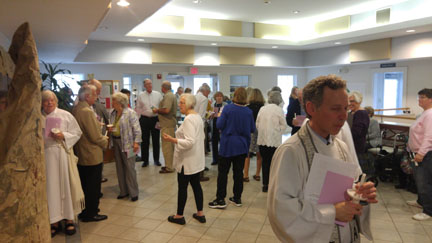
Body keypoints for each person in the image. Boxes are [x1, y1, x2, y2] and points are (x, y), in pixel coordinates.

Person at [268, 75, 377, 243]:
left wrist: (360, 193)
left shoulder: (341, 146)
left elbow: (347, 189)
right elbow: (283, 211)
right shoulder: (291, 151)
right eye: (335, 109)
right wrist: (332, 212)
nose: (343, 116)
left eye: (346, 109)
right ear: (311, 108)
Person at [42, 90, 82, 237]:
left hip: (61, 154)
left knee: (65, 185)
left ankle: (69, 219)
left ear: (56, 101)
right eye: (46, 101)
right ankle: (54, 221)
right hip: (46, 156)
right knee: (51, 189)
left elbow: (77, 132)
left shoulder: (66, 115)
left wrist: (63, 135)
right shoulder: (38, 117)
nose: (49, 103)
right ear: (41, 103)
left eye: (51, 100)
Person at [162, 94, 206, 225]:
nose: (179, 105)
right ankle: (200, 213)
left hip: (187, 161)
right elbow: (200, 137)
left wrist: (172, 139)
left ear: (188, 104)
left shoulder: (188, 120)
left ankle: (179, 216)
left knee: (183, 188)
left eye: (181, 103)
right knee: (196, 186)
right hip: (195, 160)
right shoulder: (197, 117)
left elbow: (189, 142)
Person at [209, 87, 255, 209]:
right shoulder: (248, 112)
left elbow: (219, 124)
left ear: (234, 95)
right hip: (242, 145)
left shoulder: (228, 109)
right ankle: (237, 198)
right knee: (238, 173)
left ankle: (220, 199)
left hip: (228, 144)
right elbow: (252, 129)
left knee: (223, 172)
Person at [72, 85, 109, 222]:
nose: (96, 97)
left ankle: (86, 210)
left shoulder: (76, 108)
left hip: (82, 152)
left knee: (86, 184)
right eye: (94, 95)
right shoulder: (86, 111)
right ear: (87, 96)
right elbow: (94, 136)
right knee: (93, 186)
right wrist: (105, 141)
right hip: (91, 154)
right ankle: (91, 212)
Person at [108, 92, 141, 202]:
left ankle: (133, 192)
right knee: (120, 168)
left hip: (128, 143)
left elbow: (137, 129)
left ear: (119, 102)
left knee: (130, 168)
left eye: (113, 101)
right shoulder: (113, 113)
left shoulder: (130, 113)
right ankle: (123, 191)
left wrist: (136, 142)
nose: (112, 103)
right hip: (116, 142)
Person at [407, 88, 432, 221]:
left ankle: (428, 211)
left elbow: (429, 137)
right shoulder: (424, 113)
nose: (419, 99)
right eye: (419, 97)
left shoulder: (430, 114)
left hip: (426, 154)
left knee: (424, 182)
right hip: (417, 152)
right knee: (419, 180)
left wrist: (421, 153)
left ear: (430, 99)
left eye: (422, 97)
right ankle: (421, 201)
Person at [256, 91, 288, 192]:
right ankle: (273, 185)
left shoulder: (262, 109)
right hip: (274, 141)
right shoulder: (279, 110)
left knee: (265, 162)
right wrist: (278, 131)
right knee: (274, 163)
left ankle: (265, 184)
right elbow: (284, 125)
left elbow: (257, 123)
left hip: (262, 140)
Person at [136, 79, 163, 167]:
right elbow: (138, 108)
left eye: (150, 83)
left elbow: (162, 107)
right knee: (144, 140)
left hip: (155, 119)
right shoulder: (141, 95)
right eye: (147, 84)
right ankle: (145, 160)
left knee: (156, 140)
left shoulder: (158, 94)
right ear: (144, 86)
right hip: (144, 119)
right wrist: (138, 120)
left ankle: (156, 160)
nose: (149, 85)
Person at [152, 81, 177, 173]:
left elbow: (166, 110)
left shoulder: (168, 96)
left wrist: (156, 110)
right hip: (168, 124)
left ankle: (169, 167)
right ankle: (169, 164)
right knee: (169, 146)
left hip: (167, 124)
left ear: (163, 88)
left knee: (167, 147)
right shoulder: (170, 95)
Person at [88, 79, 110, 184]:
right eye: (98, 90)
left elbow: (107, 120)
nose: (100, 92)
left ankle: (99, 176)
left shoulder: (98, 104)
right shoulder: (83, 107)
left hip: (100, 137)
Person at [243, 88, 264, 182]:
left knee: (247, 154)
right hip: (260, 131)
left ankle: (245, 175)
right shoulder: (263, 108)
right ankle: (257, 174)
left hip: (249, 131)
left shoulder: (247, 108)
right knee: (259, 154)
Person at [194, 84, 211, 181]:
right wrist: (208, 116)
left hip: (192, 125)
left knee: (195, 149)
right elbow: (201, 115)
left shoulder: (194, 97)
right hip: (199, 126)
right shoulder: (204, 99)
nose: (208, 95)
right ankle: (200, 173)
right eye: (208, 93)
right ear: (205, 91)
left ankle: (196, 170)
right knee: (201, 149)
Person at [210, 91, 226, 166]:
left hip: (222, 126)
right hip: (214, 126)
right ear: (215, 98)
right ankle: (215, 159)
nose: (219, 97)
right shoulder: (212, 105)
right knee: (214, 143)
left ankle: (222, 158)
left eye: (220, 96)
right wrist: (210, 115)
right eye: (217, 96)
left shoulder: (225, 105)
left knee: (222, 143)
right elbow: (209, 115)